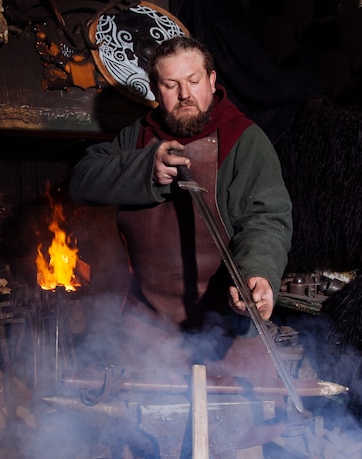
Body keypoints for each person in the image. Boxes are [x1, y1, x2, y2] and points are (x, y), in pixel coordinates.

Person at [69, 35, 292, 340]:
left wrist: (258, 273)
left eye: (194, 80)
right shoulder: (137, 137)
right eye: (171, 84)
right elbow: (81, 180)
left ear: (212, 81)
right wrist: (145, 168)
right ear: (156, 91)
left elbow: (265, 220)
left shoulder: (243, 139)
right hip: (146, 328)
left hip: (224, 328)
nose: (185, 94)